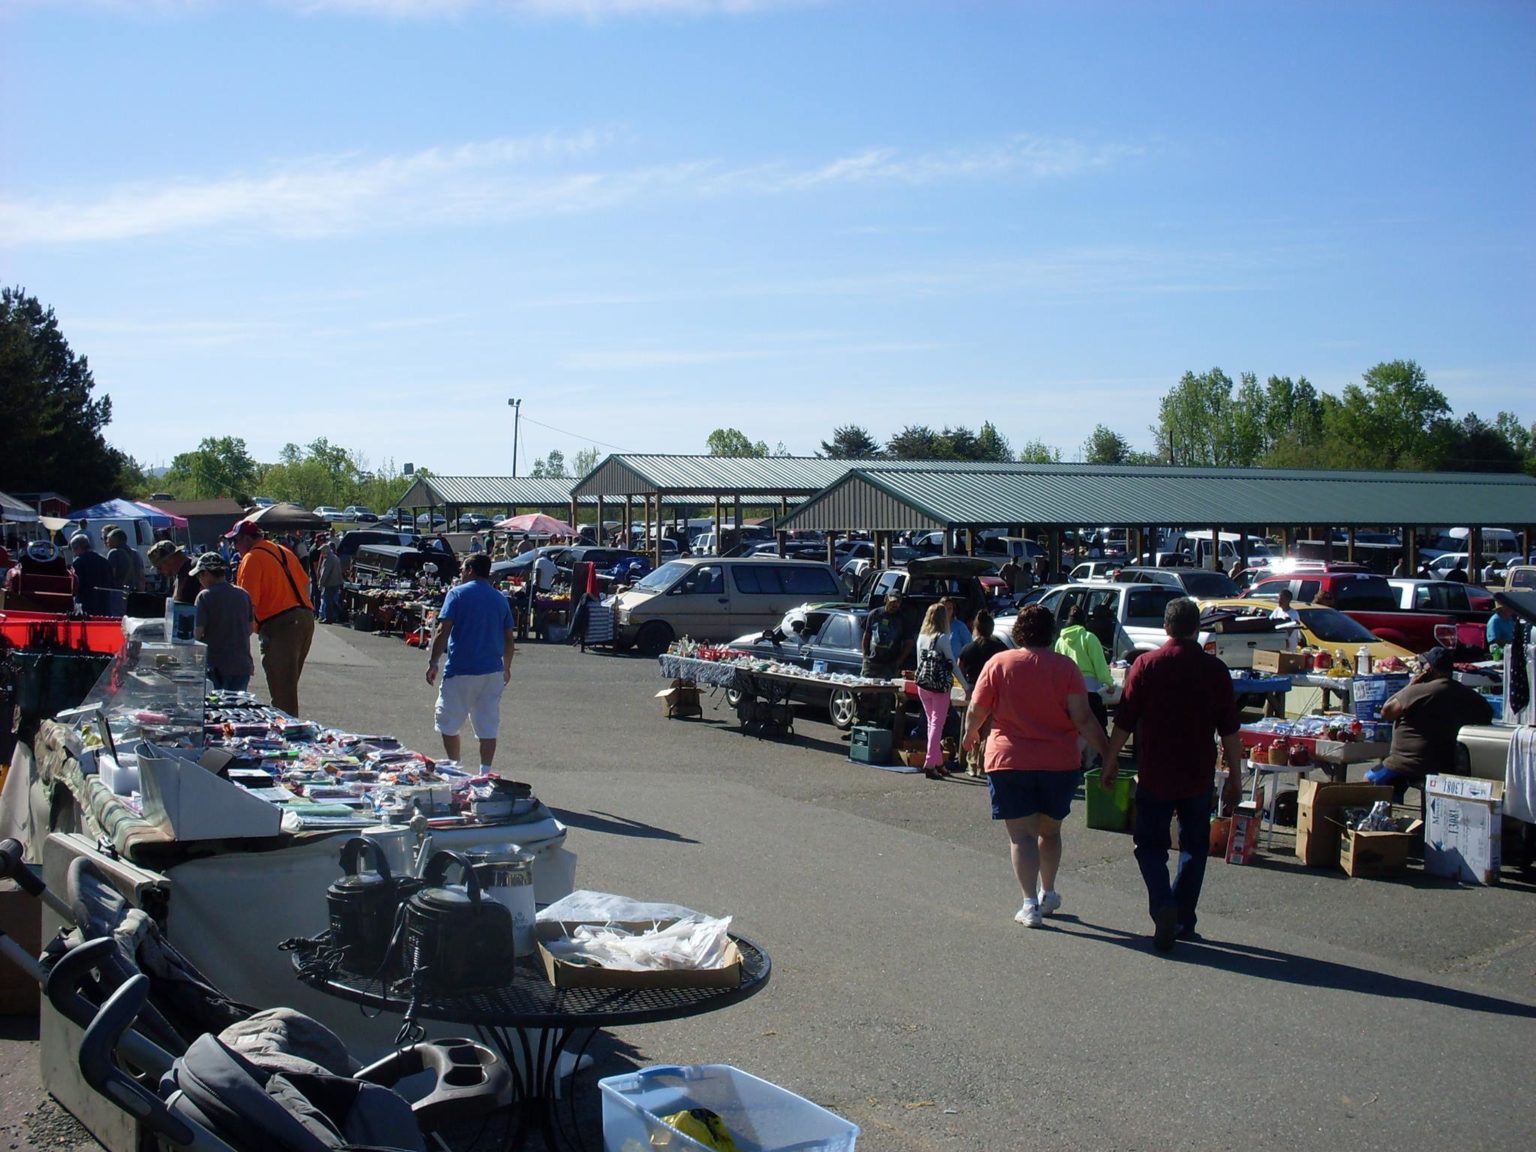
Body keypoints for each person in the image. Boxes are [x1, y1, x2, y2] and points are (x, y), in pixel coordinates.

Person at [1105, 597, 1244, 951]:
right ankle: (1182, 916)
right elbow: (1229, 730)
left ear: (1166, 628)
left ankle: (1164, 904)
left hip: (1156, 770)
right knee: (1194, 847)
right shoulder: (1216, 670)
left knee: (1149, 845)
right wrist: (1236, 779)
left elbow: (1124, 719)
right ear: (1197, 628)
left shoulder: (1146, 665)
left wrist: (1109, 758)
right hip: (1198, 771)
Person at [962, 605, 1112, 927]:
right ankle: (1049, 891)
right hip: (1058, 762)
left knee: (1022, 838)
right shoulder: (1067, 668)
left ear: (1018, 632)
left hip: (1009, 760)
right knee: (1050, 831)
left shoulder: (999, 663)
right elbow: (1083, 718)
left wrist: (969, 736)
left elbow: (977, 709)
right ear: (1052, 633)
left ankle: (1029, 904)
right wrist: (1107, 753)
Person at [425, 552, 517, 774]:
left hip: (461, 670)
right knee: (487, 723)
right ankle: (485, 772)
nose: (460, 572)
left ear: (470, 570)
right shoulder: (499, 599)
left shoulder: (456, 594)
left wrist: (433, 662)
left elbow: (442, 630)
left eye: (462, 568)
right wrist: (507, 667)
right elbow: (508, 638)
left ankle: (455, 767)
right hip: (492, 671)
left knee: (448, 721)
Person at [1370, 646, 1493, 808]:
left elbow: (1387, 712)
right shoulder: (1470, 696)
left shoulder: (1418, 691)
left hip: (1406, 763)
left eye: (1425, 665)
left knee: (1369, 779)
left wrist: (1410, 685)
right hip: (1447, 763)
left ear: (1430, 669)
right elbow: (1487, 714)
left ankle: (1382, 818)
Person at [232, 521, 315, 716]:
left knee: (283, 696)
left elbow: (247, 604)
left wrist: (241, 645)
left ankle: (288, 739)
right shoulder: (283, 551)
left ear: (246, 539)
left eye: (236, 541)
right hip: (305, 618)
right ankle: (289, 732)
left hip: (281, 623)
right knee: (287, 685)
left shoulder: (252, 558)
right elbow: (305, 583)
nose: (234, 546)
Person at [191, 552, 254, 691]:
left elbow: (197, 633)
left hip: (216, 666)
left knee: (216, 708)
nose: (199, 579)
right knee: (238, 708)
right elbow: (250, 628)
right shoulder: (243, 594)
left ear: (206, 573)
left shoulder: (204, 596)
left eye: (199, 575)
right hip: (242, 665)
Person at [958, 610, 1009, 778]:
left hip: (974, 689)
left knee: (972, 728)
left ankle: (971, 764)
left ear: (976, 627)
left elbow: (960, 668)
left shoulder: (969, 647)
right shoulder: (1000, 647)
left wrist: (965, 685)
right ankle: (983, 764)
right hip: (994, 690)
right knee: (988, 729)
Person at [914, 602, 958, 779]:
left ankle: (939, 762)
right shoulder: (942, 638)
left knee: (932, 723)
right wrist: (966, 685)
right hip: (939, 686)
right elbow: (952, 663)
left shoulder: (921, 637)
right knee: (936, 724)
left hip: (922, 684)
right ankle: (930, 762)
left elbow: (919, 663)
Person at [1054, 604, 1112, 737]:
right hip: (1091, 690)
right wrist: (1109, 683)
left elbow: (1057, 668)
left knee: (1074, 727)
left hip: (1069, 690)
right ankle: (1100, 754)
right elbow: (1100, 665)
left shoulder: (1060, 641)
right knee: (1097, 726)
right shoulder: (1089, 638)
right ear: (1084, 620)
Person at [861, 591, 911, 678]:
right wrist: (865, 655)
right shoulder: (874, 614)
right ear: (886, 599)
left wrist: (899, 661)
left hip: (890, 665)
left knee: (887, 690)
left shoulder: (903, 619)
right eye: (892, 602)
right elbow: (867, 635)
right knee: (865, 689)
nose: (894, 605)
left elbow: (909, 642)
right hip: (872, 663)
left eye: (897, 602)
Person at [68, 534, 115, 614]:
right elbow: (111, 581)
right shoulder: (104, 560)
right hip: (104, 602)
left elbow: (77, 585)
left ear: (78, 548)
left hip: (86, 602)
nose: (74, 553)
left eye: (74, 550)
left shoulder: (78, 562)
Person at [147, 540, 200, 604]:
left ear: (170, 559)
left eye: (159, 567)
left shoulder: (197, 569)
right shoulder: (179, 575)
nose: (159, 572)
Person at [944, 597, 973, 692]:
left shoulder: (960, 627)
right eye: (944, 608)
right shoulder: (936, 627)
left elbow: (969, 648)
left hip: (956, 671)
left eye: (950, 608)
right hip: (940, 672)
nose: (947, 611)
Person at [105, 527, 145, 594]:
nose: (107, 542)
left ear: (115, 540)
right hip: (136, 592)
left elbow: (110, 575)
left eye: (108, 539)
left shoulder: (114, 553)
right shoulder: (136, 553)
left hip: (120, 593)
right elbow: (142, 576)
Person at [315, 539, 344, 624]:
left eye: (321, 551)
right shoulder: (335, 557)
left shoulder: (328, 559)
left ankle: (328, 618)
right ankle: (336, 616)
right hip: (337, 582)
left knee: (327, 601)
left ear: (325, 551)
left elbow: (325, 572)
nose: (321, 553)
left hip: (330, 583)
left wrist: (320, 583)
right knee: (332, 601)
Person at [1268, 588, 1302, 652]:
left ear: (1288, 600)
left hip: (1289, 647)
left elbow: (1290, 631)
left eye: (1282, 599)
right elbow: (1270, 622)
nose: (1279, 601)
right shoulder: (1277, 610)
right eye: (1279, 598)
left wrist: (1284, 642)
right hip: (1277, 645)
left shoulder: (1294, 614)